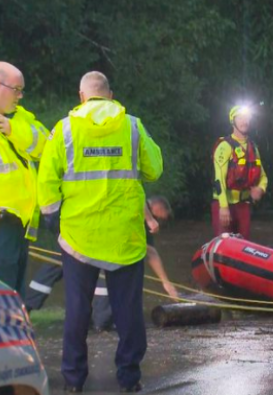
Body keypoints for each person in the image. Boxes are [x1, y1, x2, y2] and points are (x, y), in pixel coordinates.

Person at [37, 71, 163, 392]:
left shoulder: (63, 130)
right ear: (109, 95)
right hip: (125, 238)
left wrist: (52, 216)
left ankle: (74, 382)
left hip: (80, 237)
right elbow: (154, 169)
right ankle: (129, 380)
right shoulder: (132, 126)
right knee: (129, 313)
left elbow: (47, 180)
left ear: (82, 96)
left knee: (78, 313)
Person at [25, 196, 178, 329]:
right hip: (94, 241)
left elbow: (149, 250)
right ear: (156, 208)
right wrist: (166, 283)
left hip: (75, 233)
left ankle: (24, 311)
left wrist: (166, 283)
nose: (158, 224)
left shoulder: (131, 202)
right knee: (103, 275)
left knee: (56, 268)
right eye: (160, 218)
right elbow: (150, 252)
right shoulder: (137, 208)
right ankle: (101, 323)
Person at [0, 61, 49, 298]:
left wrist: (11, 128)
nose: (20, 96)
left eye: (22, 90)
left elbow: (44, 146)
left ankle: (11, 335)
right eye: (15, 89)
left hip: (21, 224)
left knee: (13, 294)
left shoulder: (22, 118)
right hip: (3, 222)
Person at [211, 105, 268, 239]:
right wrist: (223, 206)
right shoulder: (224, 147)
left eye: (247, 118)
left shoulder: (252, 147)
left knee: (244, 244)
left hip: (243, 205)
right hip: (225, 204)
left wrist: (261, 188)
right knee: (225, 244)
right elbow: (219, 179)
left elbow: (263, 176)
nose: (245, 121)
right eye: (240, 118)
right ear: (233, 121)